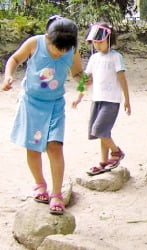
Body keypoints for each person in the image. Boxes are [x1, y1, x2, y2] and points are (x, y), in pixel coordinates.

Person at [1, 17, 83, 215]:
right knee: (33, 146)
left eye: (65, 50)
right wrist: (8, 76)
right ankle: (39, 184)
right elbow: (14, 59)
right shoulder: (35, 43)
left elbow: (78, 74)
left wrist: (84, 83)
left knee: (55, 147)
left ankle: (56, 194)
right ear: (47, 38)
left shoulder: (71, 51)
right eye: (57, 48)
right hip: (31, 103)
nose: (60, 53)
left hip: (55, 105)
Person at [72, 22, 131, 176]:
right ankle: (103, 162)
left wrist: (127, 100)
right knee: (103, 132)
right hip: (97, 100)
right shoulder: (93, 59)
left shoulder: (116, 57)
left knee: (98, 130)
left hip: (111, 101)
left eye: (100, 41)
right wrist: (79, 97)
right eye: (95, 42)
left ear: (109, 39)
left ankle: (116, 152)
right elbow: (85, 79)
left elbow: (122, 79)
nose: (97, 45)